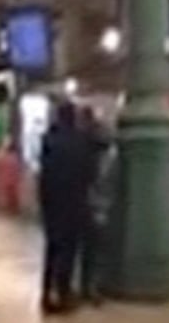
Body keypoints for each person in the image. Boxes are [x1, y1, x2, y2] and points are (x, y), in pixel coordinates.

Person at [38, 101, 91, 314]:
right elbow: (87, 172)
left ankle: (46, 294)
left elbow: (44, 174)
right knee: (68, 253)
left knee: (51, 250)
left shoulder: (49, 140)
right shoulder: (79, 142)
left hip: (51, 203)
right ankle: (64, 294)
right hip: (73, 203)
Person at [77, 107, 113, 305]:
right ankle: (91, 288)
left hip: (83, 204)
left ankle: (86, 286)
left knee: (85, 249)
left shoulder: (82, 148)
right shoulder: (103, 156)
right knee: (95, 250)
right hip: (97, 206)